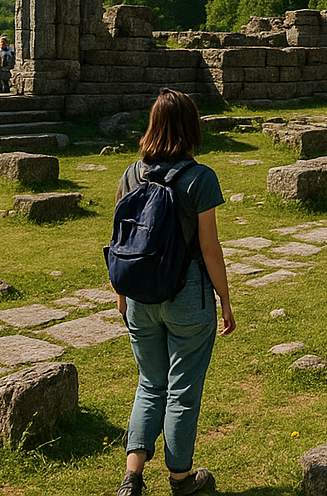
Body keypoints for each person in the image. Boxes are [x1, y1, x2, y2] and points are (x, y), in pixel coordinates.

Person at [114, 89, 233, 496]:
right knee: (182, 390)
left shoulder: (131, 174)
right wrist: (225, 299)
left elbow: (120, 241)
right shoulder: (200, 178)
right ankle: (181, 479)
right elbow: (209, 249)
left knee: (150, 382)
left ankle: (132, 475)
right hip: (187, 297)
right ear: (191, 126)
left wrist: (121, 295)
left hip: (138, 297)